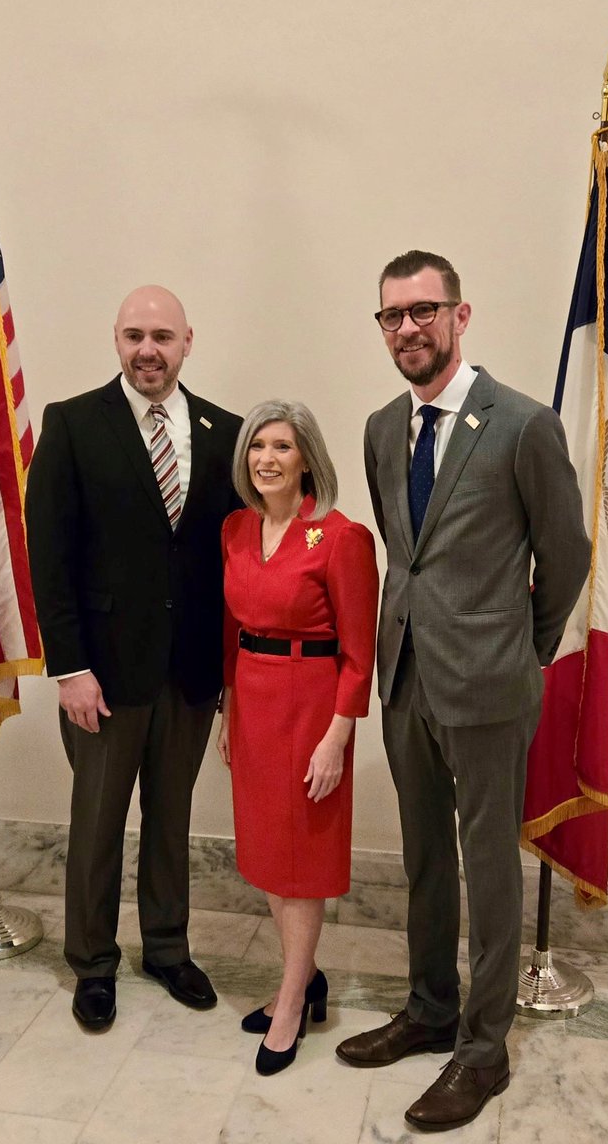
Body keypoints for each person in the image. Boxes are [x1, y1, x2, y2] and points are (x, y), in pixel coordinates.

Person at [336, 251, 590, 1131]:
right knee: (422, 860)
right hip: (404, 679)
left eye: (423, 311)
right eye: (391, 316)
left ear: (459, 314)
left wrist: (525, 649)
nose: (407, 328)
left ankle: (482, 1052)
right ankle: (428, 1009)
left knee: (487, 871)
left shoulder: (520, 424)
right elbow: (403, 554)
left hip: (489, 687)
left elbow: (566, 555)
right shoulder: (378, 427)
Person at [25, 285, 242, 1030]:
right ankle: (91, 961)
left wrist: (231, 677)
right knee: (96, 822)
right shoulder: (74, 424)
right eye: (132, 336)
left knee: (171, 818)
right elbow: (48, 559)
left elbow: (231, 561)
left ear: (188, 341)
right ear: (115, 341)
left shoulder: (227, 432)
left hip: (188, 673)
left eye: (161, 336)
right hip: (104, 675)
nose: (146, 350)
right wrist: (69, 668)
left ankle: (167, 948)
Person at [217, 400, 379, 1075]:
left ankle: (290, 1002)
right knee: (265, 854)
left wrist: (337, 737)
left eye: (281, 446)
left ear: (306, 457)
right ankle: (303, 977)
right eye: (258, 447)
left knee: (300, 861)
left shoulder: (340, 538)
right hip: (252, 704)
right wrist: (227, 708)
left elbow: (359, 651)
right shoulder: (234, 528)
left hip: (311, 709)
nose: (267, 459)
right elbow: (231, 630)